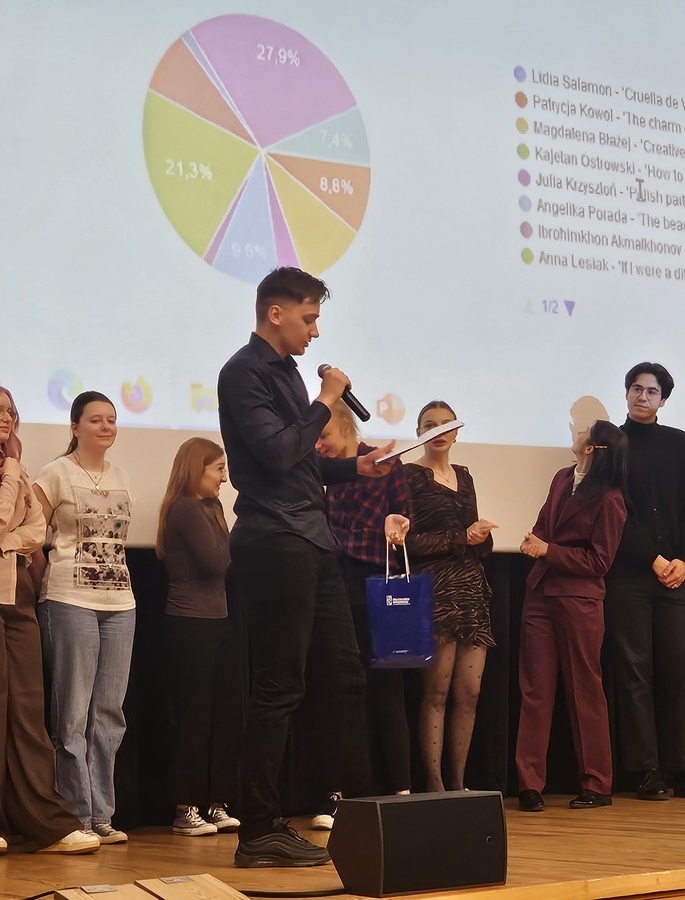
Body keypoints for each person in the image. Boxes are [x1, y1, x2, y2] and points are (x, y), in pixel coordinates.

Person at [217, 266, 396, 868]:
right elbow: (275, 455)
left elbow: (302, 462)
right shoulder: (243, 373)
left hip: (313, 539)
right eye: (309, 318)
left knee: (343, 676)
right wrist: (325, 402)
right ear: (277, 313)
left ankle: (342, 804)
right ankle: (258, 827)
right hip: (276, 540)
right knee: (278, 686)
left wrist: (355, 468)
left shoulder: (289, 374)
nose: (315, 332)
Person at [0, 383, 99, 858]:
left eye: (10, 410)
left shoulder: (14, 469)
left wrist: (4, 540)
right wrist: (8, 487)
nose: (7, 418)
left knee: (28, 711)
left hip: (17, 594)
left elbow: (34, 530)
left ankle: (46, 823)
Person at [604, 362, 685, 801]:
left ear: (663, 399)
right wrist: (652, 558)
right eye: (636, 388)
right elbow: (614, 512)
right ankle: (646, 771)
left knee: (682, 669)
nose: (642, 396)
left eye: (651, 391)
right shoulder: (612, 444)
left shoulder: (679, 443)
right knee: (634, 673)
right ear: (626, 393)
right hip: (629, 577)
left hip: (678, 578)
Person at [31, 391, 136, 844]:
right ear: (75, 427)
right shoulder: (55, 473)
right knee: (72, 713)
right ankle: (76, 815)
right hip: (69, 599)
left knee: (109, 713)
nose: (106, 426)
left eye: (111, 419)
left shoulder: (121, 476)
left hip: (121, 604)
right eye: (96, 420)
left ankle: (102, 814)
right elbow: (31, 535)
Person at [514, 420, 628, 812]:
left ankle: (596, 783)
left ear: (593, 448)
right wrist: (534, 541)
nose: (577, 433)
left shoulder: (610, 498)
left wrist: (548, 550)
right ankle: (529, 784)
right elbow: (543, 525)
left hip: (579, 601)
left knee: (584, 690)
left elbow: (599, 562)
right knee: (535, 690)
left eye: (585, 431)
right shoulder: (562, 477)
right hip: (540, 595)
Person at [315, 401, 412, 813]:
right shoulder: (319, 472)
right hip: (335, 584)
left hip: (379, 584)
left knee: (388, 687)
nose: (318, 445)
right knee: (340, 687)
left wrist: (397, 524)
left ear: (345, 425)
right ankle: (339, 794)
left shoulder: (385, 464)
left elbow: (405, 515)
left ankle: (401, 792)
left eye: (323, 435)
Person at [402, 401, 496, 792]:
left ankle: (459, 783)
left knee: (469, 693)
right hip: (435, 593)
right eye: (429, 425)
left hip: (472, 590)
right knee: (436, 693)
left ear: (456, 432)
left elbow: (474, 541)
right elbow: (408, 541)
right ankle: (435, 784)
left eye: (445, 425)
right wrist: (461, 537)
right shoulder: (409, 476)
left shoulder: (465, 476)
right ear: (418, 433)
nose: (438, 431)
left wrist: (481, 537)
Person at [157, 437, 244, 836]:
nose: (224, 477)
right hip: (190, 623)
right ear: (197, 469)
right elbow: (218, 561)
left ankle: (216, 801)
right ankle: (186, 805)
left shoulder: (212, 507)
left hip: (219, 621)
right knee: (194, 716)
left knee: (223, 714)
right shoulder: (186, 508)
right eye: (218, 469)